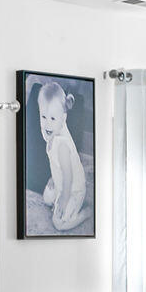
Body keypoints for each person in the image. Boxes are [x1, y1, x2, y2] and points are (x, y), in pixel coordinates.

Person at [33, 79, 88, 232]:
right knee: (46, 199)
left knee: (58, 223)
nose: (47, 124)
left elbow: (68, 176)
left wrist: (64, 200)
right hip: (60, 183)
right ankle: (59, 197)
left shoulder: (62, 145)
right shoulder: (50, 134)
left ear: (63, 119)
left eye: (52, 119)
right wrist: (53, 178)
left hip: (72, 189)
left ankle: (85, 213)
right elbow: (56, 165)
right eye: (43, 117)